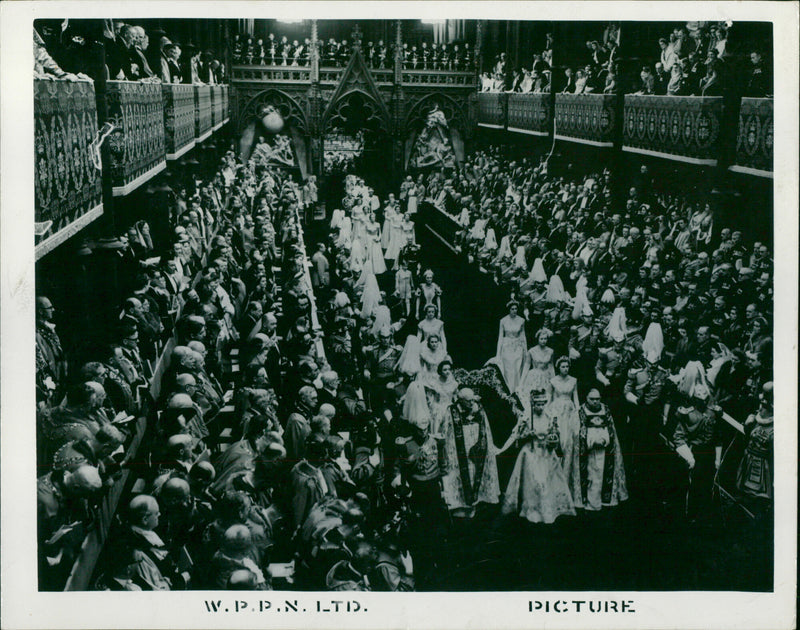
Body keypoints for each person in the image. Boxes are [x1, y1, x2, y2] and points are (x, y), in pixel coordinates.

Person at [500, 389, 576, 524]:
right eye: (537, 404)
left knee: (548, 481)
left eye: (542, 404)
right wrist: (528, 434)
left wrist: (553, 439)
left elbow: (555, 436)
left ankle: (548, 511)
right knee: (536, 482)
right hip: (531, 452)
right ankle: (533, 511)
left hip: (546, 453)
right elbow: (517, 437)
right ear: (533, 404)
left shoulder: (550, 416)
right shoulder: (527, 418)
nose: (540, 407)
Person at [438, 388, 500, 518]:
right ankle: (460, 506)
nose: (472, 403)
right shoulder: (451, 411)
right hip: (458, 449)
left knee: (475, 473)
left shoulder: (479, 408)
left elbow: (485, 429)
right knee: (461, 475)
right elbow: (446, 431)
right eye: (468, 401)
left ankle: (475, 503)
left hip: (475, 447)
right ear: (460, 400)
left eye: (473, 400)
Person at [672, 383, 723, 523]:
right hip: (695, 453)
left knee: (707, 486)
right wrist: (689, 458)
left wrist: (717, 459)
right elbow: (678, 437)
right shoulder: (687, 414)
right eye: (698, 392)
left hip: (709, 454)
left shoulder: (714, 412)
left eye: (703, 391)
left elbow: (718, 438)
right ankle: (690, 517)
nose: (701, 394)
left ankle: (704, 516)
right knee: (692, 486)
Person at [576, 388, 628, 511]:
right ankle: (589, 503)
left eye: (597, 399)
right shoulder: (580, 412)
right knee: (591, 476)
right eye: (592, 399)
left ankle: (604, 501)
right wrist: (592, 441)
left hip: (604, 451)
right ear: (586, 399)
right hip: (588, 452)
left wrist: (605, 440)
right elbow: (577, 432)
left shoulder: (606, 410)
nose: (595, 402)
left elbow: (611, 430)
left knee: (603, 474)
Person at [547, 356, 582, 505]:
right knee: (558, 442)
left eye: (567, 366)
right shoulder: (553, 381)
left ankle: (566, 482)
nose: (565, 369)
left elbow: (576, 398)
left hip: (569, 413)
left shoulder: (573, 380)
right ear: (558, 367)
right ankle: (553, 484)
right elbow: (549, 398)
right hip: (556, 413)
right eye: (563, 366)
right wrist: (548, 414)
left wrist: (579, 414)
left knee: (568, 443)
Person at [490, 299, 528, 393]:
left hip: (517, 347)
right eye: (512, 309)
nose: (514, 311)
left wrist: (526, 351)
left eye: (516, 309)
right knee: (508, 370)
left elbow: (523, 336)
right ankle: (508, 391)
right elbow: (500, 337)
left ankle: (517, 391)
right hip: (506, 347)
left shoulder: (521, 320)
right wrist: (498, 354)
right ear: (509, 309)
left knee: (517, 369)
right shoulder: (503, 321)